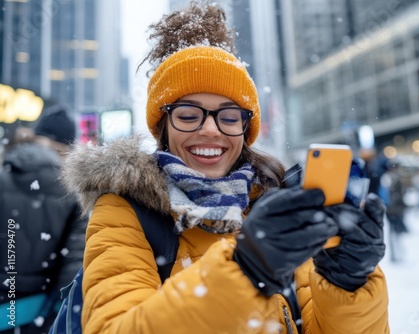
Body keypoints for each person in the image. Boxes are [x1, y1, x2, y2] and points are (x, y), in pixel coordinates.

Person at [61, 2, 389, 333]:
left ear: (245, 130)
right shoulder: (125, 212)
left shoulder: (274, 203)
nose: (211, 129)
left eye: (229, 116)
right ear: (163, 127)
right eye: (188, 114)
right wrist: (245, 268)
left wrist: (348, 285)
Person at [0, 106, 87, 333]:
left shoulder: (3, 173)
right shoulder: (74, 193)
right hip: (37, 315)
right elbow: (74, 264)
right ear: (69, 146)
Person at [381, 161, 408, 262]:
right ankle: (395, 255)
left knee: (396, 232)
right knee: (394, 232)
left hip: (396, 209)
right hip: (393, 210)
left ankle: (397, 254)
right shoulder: (388, 178)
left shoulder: (393, 178)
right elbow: (388, 196)